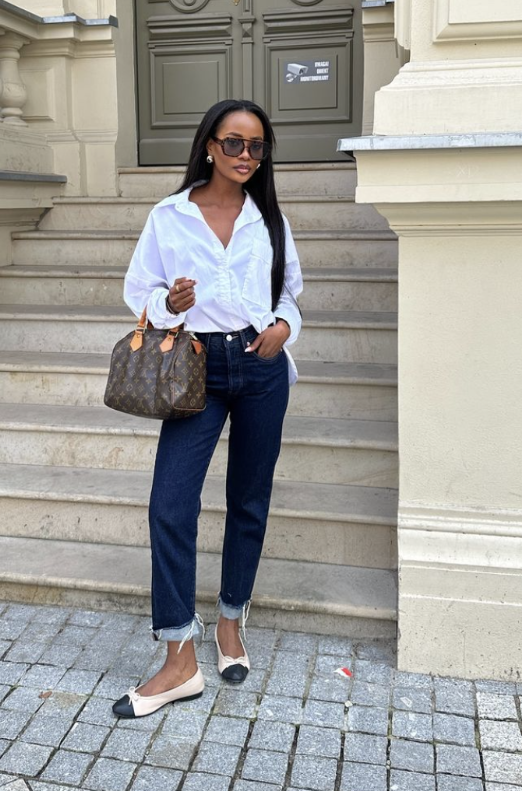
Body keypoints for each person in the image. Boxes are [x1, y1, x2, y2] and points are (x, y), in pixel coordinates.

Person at [113, 99, 303, 718]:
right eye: (233, 143)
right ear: (208, 147)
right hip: (195, 365)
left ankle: (229, 624)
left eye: (256, 146)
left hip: (260, 367)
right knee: (170, 503)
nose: (245, 156)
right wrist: (171, 301)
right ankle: (178, 656)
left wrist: (283, 326)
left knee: (249, 499)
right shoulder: (169, 217)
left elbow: (290, 294)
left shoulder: (269, 219)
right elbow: (138, 292)